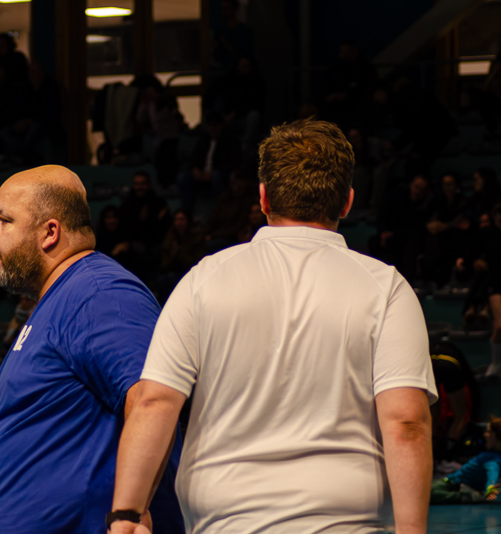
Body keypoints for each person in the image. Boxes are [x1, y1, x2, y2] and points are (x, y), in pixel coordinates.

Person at [109, 119, 437, 533]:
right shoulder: (386, 288)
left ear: (263, 197)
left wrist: (127, 513)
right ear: (347, 202)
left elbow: (154, 402)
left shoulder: (203, 281)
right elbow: (406, 422)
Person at [0, 165, 184, 534]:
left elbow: (154, 401)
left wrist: (130, 514)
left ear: (49, 233)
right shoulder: (62, 299)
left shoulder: (100, 293)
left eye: (4, 219)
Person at [431, 417, 501, 504]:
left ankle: (467, 497)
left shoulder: (493, 459)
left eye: (489, 432)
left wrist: (490, 486)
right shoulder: (492, 455)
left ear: (499, 437)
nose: (485, 434)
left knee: (424, 494)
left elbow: (492, 471)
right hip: (450, 481)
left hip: (455, 486)